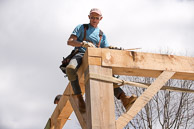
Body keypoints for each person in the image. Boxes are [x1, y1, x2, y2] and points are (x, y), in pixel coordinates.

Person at [65, 8, 137, 113]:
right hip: (81, 53)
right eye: (92, 17)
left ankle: (124, 98)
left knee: (107, 75)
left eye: (96, 18)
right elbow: (70, 41)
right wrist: (82, 44)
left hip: (96, 57)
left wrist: (112, 49)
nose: (94, 19)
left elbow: (105, 50)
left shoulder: (101, 34)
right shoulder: (82, 28)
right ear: (89, 17)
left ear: (100, 19)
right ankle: (79, 97)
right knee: (70, 69)